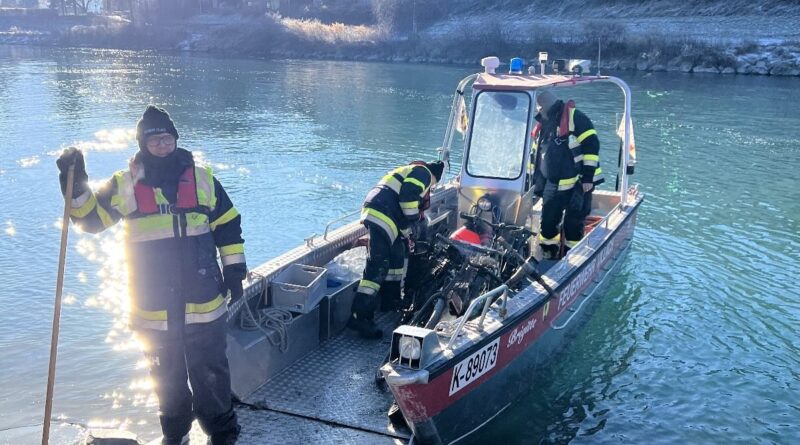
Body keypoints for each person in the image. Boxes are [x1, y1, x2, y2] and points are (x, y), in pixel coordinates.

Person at [56, 106, 245, 445]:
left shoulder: (203, 179)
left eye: (167, 138)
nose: (162, 144)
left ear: (176, 140)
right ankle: (175, 435)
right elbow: (89, 220)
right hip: (153, 309)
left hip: (204, 303)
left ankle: (222, 434)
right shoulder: (124, 185)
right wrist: (75, 183)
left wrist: (234, 271)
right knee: (166, 379)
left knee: (212, 374)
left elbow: (228, 225)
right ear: (142, 143)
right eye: (155, 139)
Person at [348, 160, 445, 339]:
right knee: (377, 267)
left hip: (384, 213)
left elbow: (400, 206)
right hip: (383, 214)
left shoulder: (409, 170)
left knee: (396, 259)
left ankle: (390, 301)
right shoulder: (423, 173)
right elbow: (407, 199)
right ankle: (359, 317)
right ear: (435, 179)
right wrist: (415, 220)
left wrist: (407, 233)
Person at [530, 90, 603, 259]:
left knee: (574, 222)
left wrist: (587, 177)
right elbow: (538, 153)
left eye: (541, 109)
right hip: (554, 183)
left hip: (578, 183)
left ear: (548, 106)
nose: (539, 112)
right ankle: (549, 252)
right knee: (548, 220)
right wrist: (535, 182)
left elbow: (591, 148)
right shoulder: (544, 123)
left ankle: (573, 255)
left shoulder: (577, 118)